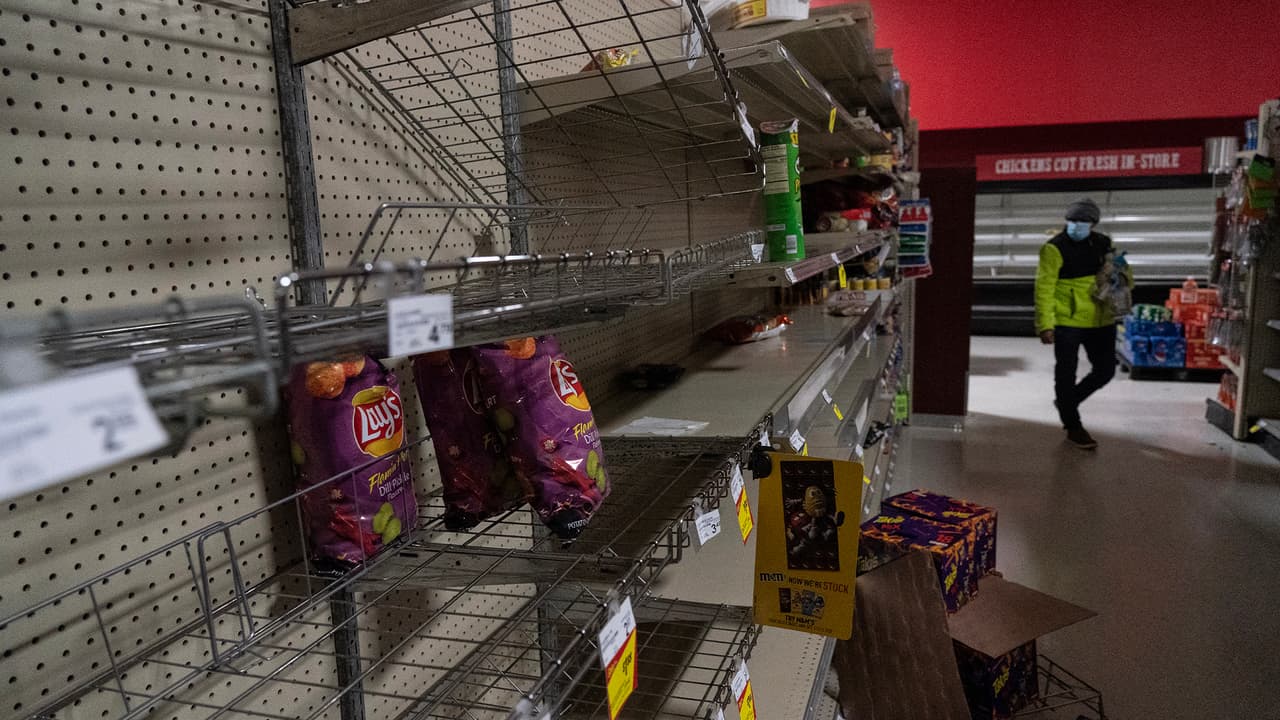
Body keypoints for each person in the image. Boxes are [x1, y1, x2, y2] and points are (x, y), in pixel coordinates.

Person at [1034, 198, 1128, 450]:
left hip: (1101, 318)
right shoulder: (1054, 248)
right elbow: (1044, 287)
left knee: (1106, 369)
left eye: (1083, 221)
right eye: (1073, 220)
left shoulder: (1103, 243)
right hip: (1067, 320)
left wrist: (1121, 273)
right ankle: (1073, 426)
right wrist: (1045, 324)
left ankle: (1067, 402)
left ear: (1093, 223)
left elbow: (1124, 274)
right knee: (1066, 371)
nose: (1077, 225)